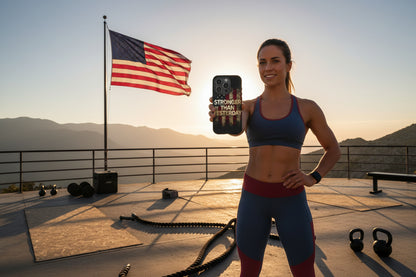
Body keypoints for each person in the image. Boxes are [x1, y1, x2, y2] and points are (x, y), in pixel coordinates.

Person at [209, 39, 341, 277]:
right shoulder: (247, 106)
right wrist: (224, 117)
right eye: (262, 62)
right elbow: (236, 128)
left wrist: (313, 177)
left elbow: (333, 149)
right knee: (248, 272)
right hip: (253, 199)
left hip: (291, 200)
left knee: (304, 272)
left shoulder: (307, 108)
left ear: (289, 65)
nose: (267, 67)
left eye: (274, 61)